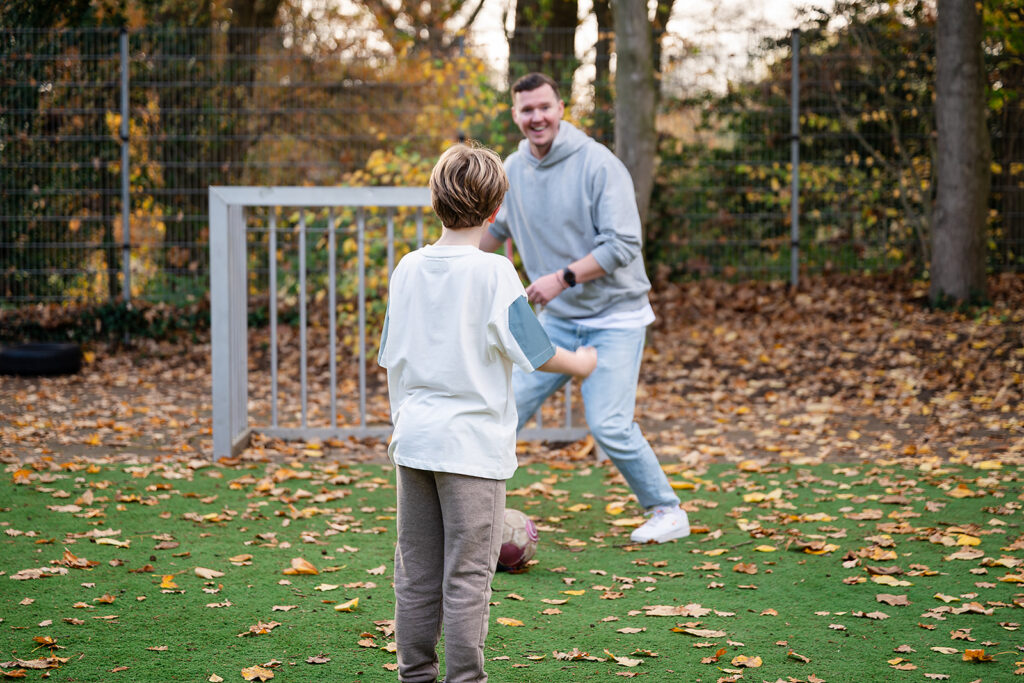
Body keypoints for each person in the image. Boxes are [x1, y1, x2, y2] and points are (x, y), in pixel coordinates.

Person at [378, 142, 597, 683]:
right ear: (496, 209)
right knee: (468, 577)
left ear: (434, 200)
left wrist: (404, 424)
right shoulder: (495, 272)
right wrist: (582, 363)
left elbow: (392, 357)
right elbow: (536, 351)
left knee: (415, 573)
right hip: (471, 451)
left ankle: (414, 676)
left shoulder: (407, 268)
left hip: (414, 442)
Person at [479, 72, 690, 545]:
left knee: (609, 424)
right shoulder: (513, 168)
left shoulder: (599, 164)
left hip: (615, 318)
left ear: (561, 108)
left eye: (544, 107)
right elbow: (495, 230)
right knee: (502, 408)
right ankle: (470, 509)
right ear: (515, 115)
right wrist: (452, 255)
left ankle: (667, 510)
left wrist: (562, 278)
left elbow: (624, 244)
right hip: (557, 322)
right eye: (527, 110)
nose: (537, 117)